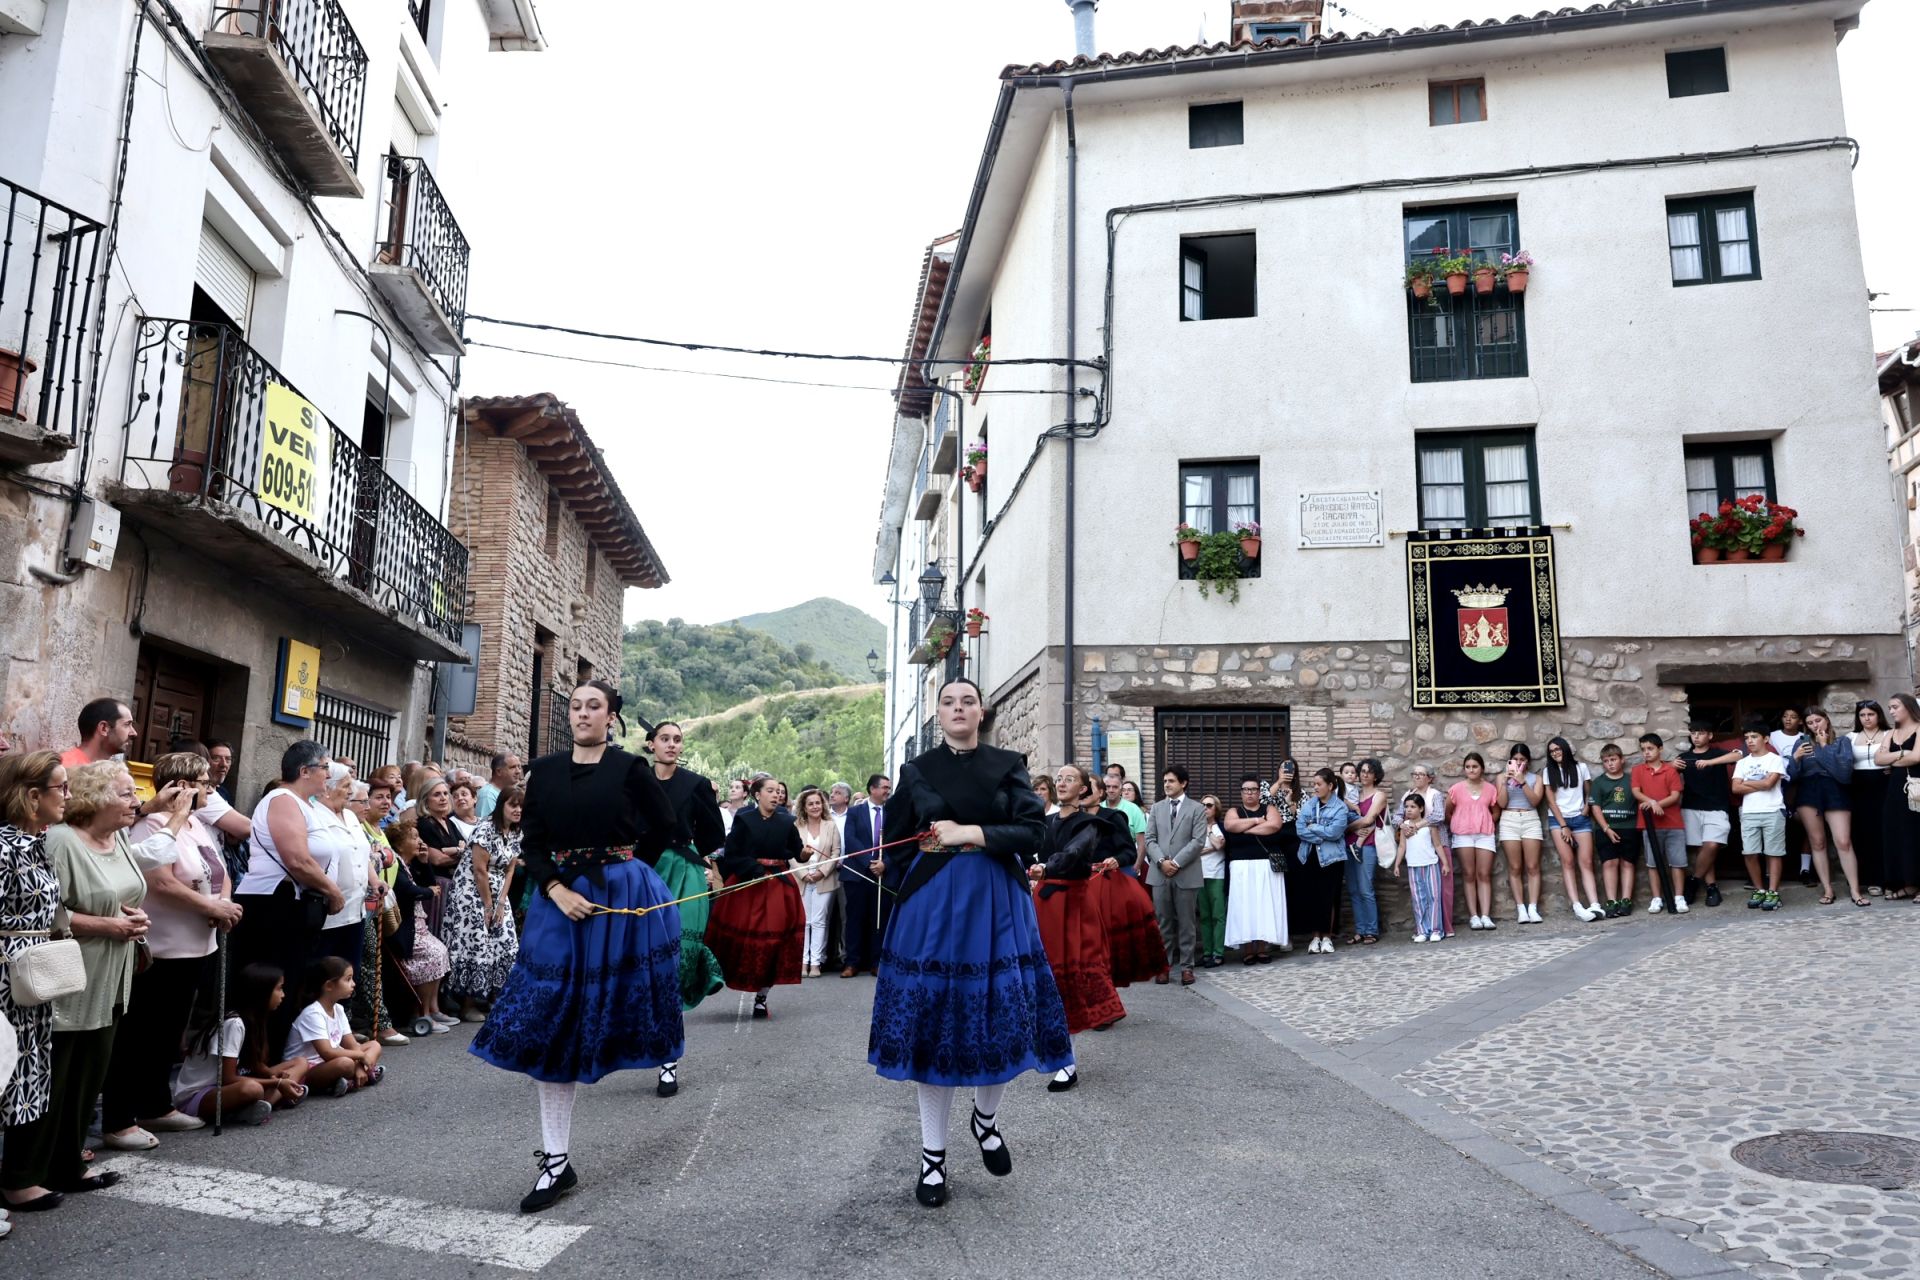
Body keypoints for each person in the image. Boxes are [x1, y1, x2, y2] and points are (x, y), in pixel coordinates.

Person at [470, 678, 685, 1213]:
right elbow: (534, 844)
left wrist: (631, 871)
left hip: (617, 899)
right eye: (576, 706)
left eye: (595, 707)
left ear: (611, 717)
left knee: (611, 1012)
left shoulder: (630, 769)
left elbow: (665, 826)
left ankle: (656, 1068)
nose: (583, 714)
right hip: (557, 901)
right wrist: (557, 888)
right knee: (550, 1021)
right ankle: (556, 1162)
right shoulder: (541, 772)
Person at [868, 677, 1071, 1208]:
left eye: (968, 701)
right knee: (933, 1024)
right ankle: (932, 1156)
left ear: (983, 712)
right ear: (938, 714)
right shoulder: (915, 772)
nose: (958, 709)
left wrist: (969, 834)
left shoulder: (1008, 765)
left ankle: (986, 1120)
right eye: (948, 702)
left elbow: (1035, 833)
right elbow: (895, 845)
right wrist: (907, 889)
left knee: (995, 1016)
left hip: (996, 902)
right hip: (932, 907)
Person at [33, 763, 186, 1181]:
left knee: (90, 1076)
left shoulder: (117, 838)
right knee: (59, 1076)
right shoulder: (61, 842)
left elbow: (124, 889)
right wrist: (109, 924)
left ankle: (67, 1163)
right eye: (125, 794)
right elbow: (46, 912)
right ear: (96, 797)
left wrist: (128, 917)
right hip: (71, 973)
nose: (135, 802)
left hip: (114, 973)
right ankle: (34, 1170)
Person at [101, 751, 242, 1146]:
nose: (210, 788)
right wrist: (210, 906)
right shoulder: (151, 825)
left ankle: (156, 1105)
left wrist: (222, 903)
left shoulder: (196, 823)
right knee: (140, 1033)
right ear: (180, 786)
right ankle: (119, 1116)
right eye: (202, 782)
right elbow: (161, 882)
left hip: (198, 942)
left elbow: (218, 869)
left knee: (168, 1032)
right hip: (162, 945)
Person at [232, 742, 347, 1053]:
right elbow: (296, 859)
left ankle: (278, 1058)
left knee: (291, 984)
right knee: (273, 986)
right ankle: (255, 1062)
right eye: (325, 767)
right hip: (274, 904)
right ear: (304, 771)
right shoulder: (282, 800)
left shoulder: (305, 804)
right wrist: (332, 891)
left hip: (294, 906)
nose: (328, 774)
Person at [1, 752, 70, 1213]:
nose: (67, 796)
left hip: (32, 978)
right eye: (59, 788)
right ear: (31, 796)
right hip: (6, 976)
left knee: (21, 1078)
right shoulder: (3, 847)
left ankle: (15, 1182)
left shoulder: (34, 842)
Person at [1029, 763, 1126, 1092]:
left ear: (1084, 789)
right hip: (1045, 903)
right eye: (1058, 778)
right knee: (1047, 979)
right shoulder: (1045, 822)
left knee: (1067, 980)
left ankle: (1066, 1063)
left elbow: (1075, 853)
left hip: (1072, 906)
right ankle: (1056, 1051)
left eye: (1070, 778)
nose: (1061, 782)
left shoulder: (1090, 823)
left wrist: (1046, 866)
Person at [645, 720, 726, 1096]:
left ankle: (668, 1061)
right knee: (646, 960)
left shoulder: (695, 784)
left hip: (687, 871)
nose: (672, 744)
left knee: (678, 958)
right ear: (651, 744)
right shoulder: (636, 779)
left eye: (677, 739)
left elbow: (715, 834)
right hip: (644, 870)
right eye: (665, 739)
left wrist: (691, 854)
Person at [710, 777, 806, 1017]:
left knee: (773, 942)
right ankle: (726, 976)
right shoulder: (744, 820)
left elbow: (798, 852)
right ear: (757, 795)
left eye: (779, 792)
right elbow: (731, 855)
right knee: (743, 940)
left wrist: (804, 854)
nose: (776, 795)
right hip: (748, 884)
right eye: (771, 791)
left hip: (779, 888)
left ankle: (762, 996)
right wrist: (752, 869)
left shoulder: (787, 821)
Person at [173, 963, 306, 1126]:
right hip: (199, 1096)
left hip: (228, 1087)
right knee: (252, 1089)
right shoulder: (233, 1023)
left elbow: (256, 1065)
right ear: (262, 992)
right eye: (279, 989)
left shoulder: (254, 1020)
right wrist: (276, 1083)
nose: (283, 995)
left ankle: (260, 1105)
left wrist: (274, 1076)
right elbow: (227, 1078)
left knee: (300, 1062)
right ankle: (262, 1103)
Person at [447, 787, 524, 1020]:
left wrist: (501, 903)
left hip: (499, 889)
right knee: (478, 943)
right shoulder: (485, 829)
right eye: (513, 805)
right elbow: (479, 870)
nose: (518, 810)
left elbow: (511, 868)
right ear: (502, 806)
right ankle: (467, 1004)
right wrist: (488, 906)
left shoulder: (516, 832)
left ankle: (497, 998)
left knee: (506, 941)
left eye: (521, 806)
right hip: (471, 892)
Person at [1791, 708, 1866, 907]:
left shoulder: (1842, 742)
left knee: (1843, 841)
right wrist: (1796, 759)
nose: (1815, 725)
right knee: (1817, 842)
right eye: (1810, 723)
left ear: (1827, 720)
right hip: (1809, 792)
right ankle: (1827, 889)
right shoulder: (1801, 743)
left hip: (1835, 790)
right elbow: (1792, 776)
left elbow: (1843, 773)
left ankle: (1855, 890)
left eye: (1818, 720)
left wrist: (1824, 747)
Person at [386, 815, 453, 1029]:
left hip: (418, 924)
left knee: (441, 951)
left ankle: (433, 1008)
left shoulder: (410, 864)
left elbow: (431, 884)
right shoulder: (395, 863)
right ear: (399, 843)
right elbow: (408, 890)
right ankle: (422, 1013)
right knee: (432, 955)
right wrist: (426, 892)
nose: (420, 842)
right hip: (406, 927)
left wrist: (425, 863)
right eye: (414, 837)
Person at [1144, 766, 1207, 984]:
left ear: (1183, 783)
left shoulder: (1197, 808)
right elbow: (1150, 839)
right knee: (1163, 923)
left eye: (1171, 781)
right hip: (1160, 873)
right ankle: (1165, 966)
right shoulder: (1156, 808)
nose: (1167, 785)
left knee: (1187, 923)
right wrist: (1162, 862)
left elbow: (1198, 841)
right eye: (1165, 781)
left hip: (1186, 873)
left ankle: (1187, 967)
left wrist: (1176, 863)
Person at [285, 956, 383, 1095]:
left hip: (329, 1062)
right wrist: (360, 1058)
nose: (353, 984)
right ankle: (354, 1077)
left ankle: (357, 1075)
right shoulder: (313, 1013)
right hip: (308, 1068)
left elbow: (352, 1045)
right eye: (348, 979)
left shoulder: (338, 1009)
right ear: (329, 985)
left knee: (374, 1045)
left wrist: (359, 1065)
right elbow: (327, 1053)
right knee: (345, 1063)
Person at [1222, 774, 1289, 961]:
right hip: (1241, 867)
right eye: (1246, 790)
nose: (1250, 793)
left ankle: (1262, 947)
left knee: (1265, 906)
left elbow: (1275, 825)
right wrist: (1259, 821)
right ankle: (1248, 950)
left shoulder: (1270, 808)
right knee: (1244, 907)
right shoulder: (1233, 811)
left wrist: (1244, 830)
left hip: (1266, 865)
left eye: (1254, 789)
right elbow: (1230, 825)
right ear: (1241, 793)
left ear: (1260, 792)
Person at [1680, 723, 1741, 909]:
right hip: (1691, 807)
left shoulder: (1717, 754)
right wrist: (1672, 765)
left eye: (1701, 733)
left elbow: (1739, 754)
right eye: (1693, 733)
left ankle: (1693, 881)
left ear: (1710, 735)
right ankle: (1712, 888)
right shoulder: (1685, 758)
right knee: (1702, 850)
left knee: (1712, 845)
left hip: (1716, 807)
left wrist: (1710, 763)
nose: (1696, 737)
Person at [1541, 737, 1602, 922]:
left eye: (1558, 749)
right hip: (1559, 820)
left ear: (1565, 749)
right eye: (1551, 751)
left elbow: (1589, 791)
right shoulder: (1548, 772)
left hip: (1581, 819)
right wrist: (1563, 825)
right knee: (1568, 862)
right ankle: (1577, 905)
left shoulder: (1581, 768)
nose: (1555, 753)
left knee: (1586, 862)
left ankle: (1595, 904)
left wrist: (1586, 809)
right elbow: (1551, 801)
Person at [839, 774, 893, 978]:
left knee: (879, 919)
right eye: (884, 787)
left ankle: (876, 961)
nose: (888, 791)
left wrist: (884, 864)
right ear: (872, 789)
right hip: (857, 874)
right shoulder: (854, 812)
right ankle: (852, 963)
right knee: (854, 919)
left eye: (889, 787)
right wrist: (869, 862)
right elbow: (850, 839)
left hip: (882, 874)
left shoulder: (892, 812)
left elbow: (898, 841)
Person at [1294, 769, 1353, 954]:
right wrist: (1321, 835)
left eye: (1319, 784)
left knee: (1329, 897)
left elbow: (1335, 833)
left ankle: (1327, 937)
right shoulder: (1309, 805)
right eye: (1314, 784)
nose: (1315, 788)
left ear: (1330, 786)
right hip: (1309, 856)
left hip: (1331, 859)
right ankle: (1315, 937)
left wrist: (1314, 828)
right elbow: (1300, 829)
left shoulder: (1340, 807)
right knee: (1312, 897)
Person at [1632, 734, 1689, 915]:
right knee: (1653, 863)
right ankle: (1656, 898)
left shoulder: (1670, 771)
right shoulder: (1638, 770)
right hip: (1650, 824)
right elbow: (1636, 791)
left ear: (1660, 749)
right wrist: (1652, 802)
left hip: (1673, 823)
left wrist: (1657, 804)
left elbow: (1675, 795)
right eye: (1643, 749)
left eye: (1650, 748)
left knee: (1677, 862)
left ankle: (1679, 897)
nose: (1646, 753)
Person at [1735, 725, 1790, 910]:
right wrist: (1759, 782)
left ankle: (1773, 892)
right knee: (1750, 852)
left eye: (1754, 736)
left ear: (1765, 739)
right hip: (1749, 812)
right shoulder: (1742, 762)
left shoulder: (1775, 759)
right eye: (1747, 737)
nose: (1749, 740)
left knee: (1773, 853)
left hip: (1772, 810)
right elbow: (1735, 788)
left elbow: (1769, 784)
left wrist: (1747, 782)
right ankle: (1759, 889)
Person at [1447, 753, 1502, 930]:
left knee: (1484, 874)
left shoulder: (1490, 789)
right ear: (1464, 769)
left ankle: (1486, 915)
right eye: (1468, 766)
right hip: (1463, 835)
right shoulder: (1456, 789)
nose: (1471, 769)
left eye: (1475, 766)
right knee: (1469, 874)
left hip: (1484, 835)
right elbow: (1448, 811)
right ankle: (1474, 916)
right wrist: (1461, 822)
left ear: (1482, 769)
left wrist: (1484, 821)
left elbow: (1496, 811)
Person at [1874, 693, 1920, 901]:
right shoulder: (1890, 733)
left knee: (1917, 833)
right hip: (1895, 790)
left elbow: (1917, 756)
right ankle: (1908, 884)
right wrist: (1902, 755)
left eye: (1895, 707)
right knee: (1898, 834)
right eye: (1889, 707)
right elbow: (1878, 759)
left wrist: (1891, 760)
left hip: (1916, 789)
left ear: (1908, 707)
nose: (1891, 711)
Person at [792, 786, 842, 978]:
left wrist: (822, 872)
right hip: (802, 877)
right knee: (804, 921)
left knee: (819, 921)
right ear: (804, 807)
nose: (815, 806)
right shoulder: (796, 826)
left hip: (824, 879)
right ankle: (803, 962)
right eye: (810, 803)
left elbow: (836, 852)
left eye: (818, 803)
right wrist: (804, 873)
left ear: (823, 805)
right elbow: (792, 854)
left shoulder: (831, 825)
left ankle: (816, 963)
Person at [1342, 760, 1390, 945]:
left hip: (1367, 846)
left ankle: (1372, 930)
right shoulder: (1353, 794)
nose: (1364, 775)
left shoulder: (1379, 795)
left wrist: (1347, 827)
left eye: (1369, 772)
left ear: (1376, 775)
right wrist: (1352, 829)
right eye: (1362, 771)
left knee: (1365, 888)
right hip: (1348, 845)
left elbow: (1369, 819)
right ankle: (1360, 930)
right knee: (1353, 890)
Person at [1498, 745, 1547, 924]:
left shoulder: (1536, 779)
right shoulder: (1500, 778)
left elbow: (1535, 801)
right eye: (1516, 759)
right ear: (1510, 760)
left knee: (1533, 866)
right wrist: (1505, 782)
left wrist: (1522, 782)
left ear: (1528, 762)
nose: (1519, 763)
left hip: (1530, 819)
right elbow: (1501, 803)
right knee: (1515, 867)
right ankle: (1521, 909)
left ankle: (1533, 908)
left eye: (1522, 760)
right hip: (1509, 819)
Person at [1403, 766, 1454, 938]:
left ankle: (1442, 928)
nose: (1417, 776)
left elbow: (1439, 816)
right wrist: (1403, 825)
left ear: (1430, 778)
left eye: (1421, 774)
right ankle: (1423, 928)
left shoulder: (1436, 795)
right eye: (1414, 773)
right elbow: (1397, 816)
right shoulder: (1408, 795)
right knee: (1420, 893)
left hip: (1438, 843)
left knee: (1442, 889)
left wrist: (1417, 825)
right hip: (1417, 850)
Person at [1590, 744, 1640, 917]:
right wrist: (1606, 828)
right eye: (1606, 761)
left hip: (1629, 828)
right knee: (1609, 863)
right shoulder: (1599, 783)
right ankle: (1611, 900)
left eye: (1613, 759)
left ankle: (1626, 899)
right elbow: (1595, 808)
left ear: (1622, 760)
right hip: (1606, 829)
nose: (1610, 764)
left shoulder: (1631, 780)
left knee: (1627, 863)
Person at [1848, 701, 1890, 897]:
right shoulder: (1851, 737)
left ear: (1878, 715)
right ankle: (1871, 879)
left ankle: (1889, 878)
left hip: (1884, 786)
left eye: (1870, 714)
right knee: (1864, 833)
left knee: (1885, 831)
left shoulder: (1889, 734)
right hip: (1859, 789)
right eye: (1862, 715)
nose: (1867, 718)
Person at [1399, 794, 1445, 942]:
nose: (1409, 810)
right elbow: (1402, 846)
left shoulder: (1429, 825)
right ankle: (1422, 930)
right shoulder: (1404, 827)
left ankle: (1436, 930)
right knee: (1418, 899)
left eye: (1413, 806)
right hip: (1413, 866)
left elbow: (1437, 845)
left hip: (1430, 864)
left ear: (1421, 808)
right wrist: (1397, 864)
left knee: (1434, 897)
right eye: (1406, 807)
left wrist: (1445, 863)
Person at [1196, 794, 1229, 967]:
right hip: (1199, 875)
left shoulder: (1221, 827)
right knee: (1204, 916)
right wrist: (1209, 847)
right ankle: (1207, 953)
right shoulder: (1195, 827)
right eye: (1202, 805)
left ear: (1216, 808)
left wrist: (1209, 831)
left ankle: (1218, 953)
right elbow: (1193, 849)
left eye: (1209, 805)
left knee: (1218, 915)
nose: (1205, 808)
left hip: (1216, 874)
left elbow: (1218, 845)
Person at [61, 698, 137, 768]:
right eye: (127, 724)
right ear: (104, 728)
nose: (134, 733)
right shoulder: (64, 769)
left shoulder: (111, 774)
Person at [1101, 765, 1148, 868]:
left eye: (1115, 787)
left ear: (1121, 789)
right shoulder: (1098, 807)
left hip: (1126, 864)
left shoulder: (1134, 809)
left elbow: (1142, 842)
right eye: (1108, 787)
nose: (1111, 790)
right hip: (1101, 866)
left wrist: (1137, 866)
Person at [476, 753, 523, 822]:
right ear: (498, 771)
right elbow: (485, 826)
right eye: (512, 767)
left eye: (519, 767)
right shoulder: (488, 795)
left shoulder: (510, 792)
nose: (518, 771)